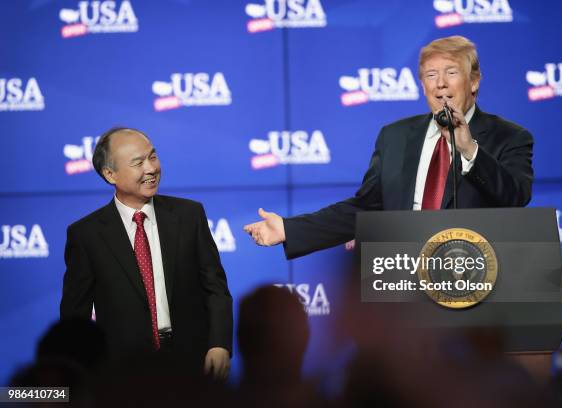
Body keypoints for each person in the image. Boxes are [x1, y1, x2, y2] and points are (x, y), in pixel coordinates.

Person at [244, 35, 533, 259]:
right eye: (431, 75)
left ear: (474, 82)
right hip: (402, 283)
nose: (440, 84)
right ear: (422, 86)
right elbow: (365, 208)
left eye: (451, 73)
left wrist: (470, 150)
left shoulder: (510, 137)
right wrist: (288, 229)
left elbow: (515, 197)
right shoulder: (394, 136)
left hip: (473, 283)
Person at [60, 127, 232, 379]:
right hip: (123, 370)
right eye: (138, 163)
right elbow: (75, 317)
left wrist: (220, 344)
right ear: (110, 175)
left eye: (152, 156)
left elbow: (215, 287)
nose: (151, 169)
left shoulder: (189, 215)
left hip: (192, 361)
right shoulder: (86, 235)